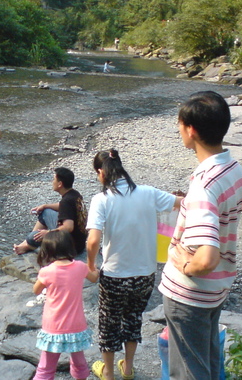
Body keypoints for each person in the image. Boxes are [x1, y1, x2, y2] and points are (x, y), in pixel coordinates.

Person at [158, 91, 242, 379]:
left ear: (191, 130)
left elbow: (206, 257)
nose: (178, 130)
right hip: (216, 289)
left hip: (190, 294)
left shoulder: (203, 186)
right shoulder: (234, 168)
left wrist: (185, 265)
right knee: (207, 363)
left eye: (179, 125)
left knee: (188, 373)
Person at [86, 150, 181, 380]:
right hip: (145, 273)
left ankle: (108, 373)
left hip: (115, 275)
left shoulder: (102, 199)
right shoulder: (148, 193)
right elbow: (181, 203)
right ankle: (127, 369)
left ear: (101, 172)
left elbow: (93, 240)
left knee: (109, 322)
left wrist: (90, 267)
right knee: (133, 318)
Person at [32, 230, 99, 380]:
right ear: (70, 246)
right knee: (79, 363)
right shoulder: (80, 267)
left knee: (46, 366)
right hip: (76, 324)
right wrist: (96, 268)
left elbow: (36, 290)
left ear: (48, 250)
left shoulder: (46, 271)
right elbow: (94, 277)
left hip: (53, 325)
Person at [13, 167, 87, 255]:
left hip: (71, 247)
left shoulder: (66, 201)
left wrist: (48, 233)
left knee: (31, 238)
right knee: (45, 212)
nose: (52, 182)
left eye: (54, 179)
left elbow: (68, 227)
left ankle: (27, 245)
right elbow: (64, 207)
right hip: (79, 243)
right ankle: (26, 244)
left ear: (60, 184)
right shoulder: (75, 194)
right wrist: (45, 206)